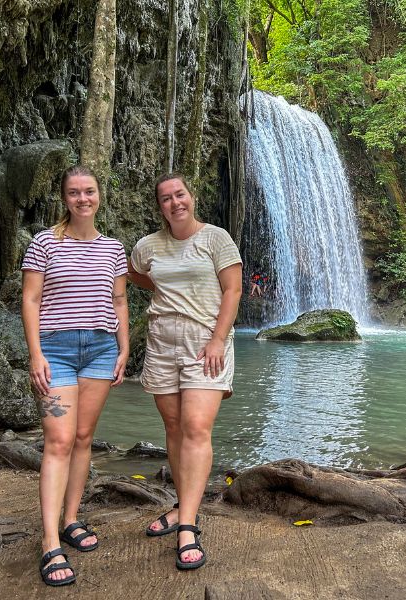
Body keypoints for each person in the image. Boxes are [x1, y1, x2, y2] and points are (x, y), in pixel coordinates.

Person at [21, 164, 130, 587]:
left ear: (99, 196)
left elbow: (119, 301)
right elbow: (31, 300)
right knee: (59, 440)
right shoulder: (44, 243)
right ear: (64, 198)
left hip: (101, 350)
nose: (82, 198)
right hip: (56, 350)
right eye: (74, 192)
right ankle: (49, 541)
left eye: (89, 191)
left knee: (83, 437)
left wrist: (124, 348)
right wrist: (35, 354)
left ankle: (70, 519)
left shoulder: (114, 249)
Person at [128, 172, 242, 570]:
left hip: (205, 341)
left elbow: (233, 290)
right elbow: (134, 274)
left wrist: (217, 340)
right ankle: (182, 506)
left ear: (191, 197)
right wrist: (165, 291)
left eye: (180, 194)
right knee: (174, 428)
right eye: (166, 198)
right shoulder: (148, 246)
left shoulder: (216, 239)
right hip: (162, 342)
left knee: (195, 427)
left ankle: (188, 525)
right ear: (159, 207)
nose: (175, 202)